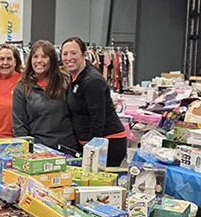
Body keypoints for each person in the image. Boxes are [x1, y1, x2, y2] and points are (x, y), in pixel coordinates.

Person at [61, 36, 127, 166]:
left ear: (84, 55)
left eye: (73, 53)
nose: (69, 58)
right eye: (65, 54)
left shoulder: (92, 81)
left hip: (107, 144)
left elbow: (98, 120)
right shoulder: (74, 77)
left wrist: (90, 151)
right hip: (90, 143)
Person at [12, 40, 79, 153]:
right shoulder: (22, 87)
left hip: (68, 148)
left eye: (44, 56)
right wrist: (26, 152)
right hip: (39, 150)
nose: (39, 61)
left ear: (52, 60)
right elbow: (19, 126)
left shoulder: (66, 81)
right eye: (35, 56)